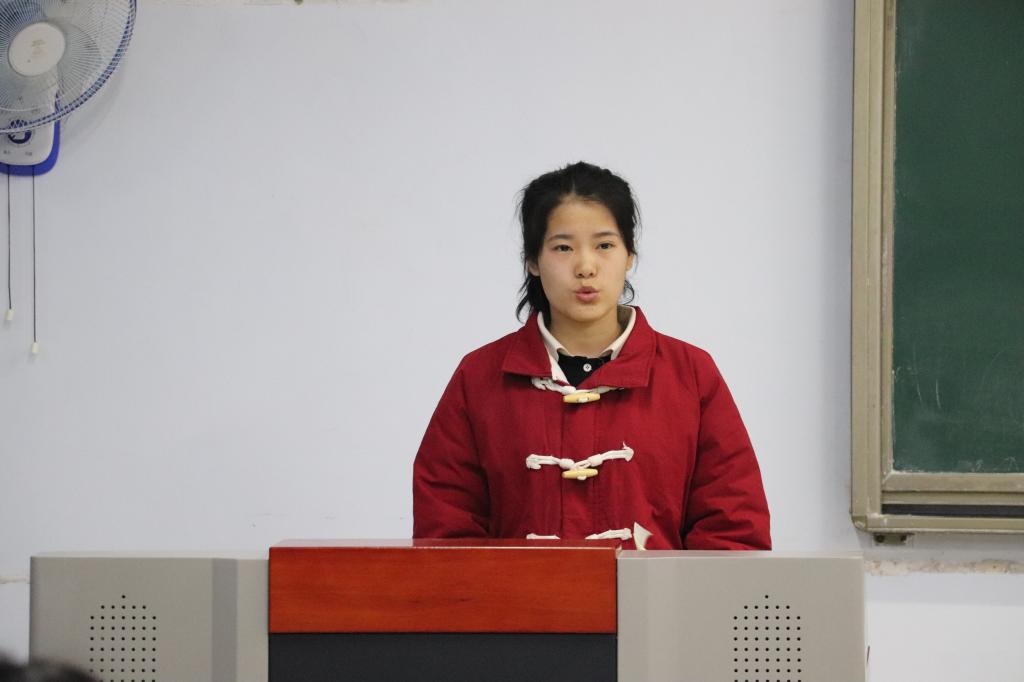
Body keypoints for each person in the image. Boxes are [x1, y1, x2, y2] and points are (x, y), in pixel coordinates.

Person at [412, 161, 770, 550]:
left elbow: (732, 531)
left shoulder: (690, 374)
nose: (585, 267)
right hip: (519, 594)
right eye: (563, 247)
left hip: (655, 593)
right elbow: (445, 534)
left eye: (604, 245)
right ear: (532, 260)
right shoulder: (480, 376)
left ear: (629, 255)